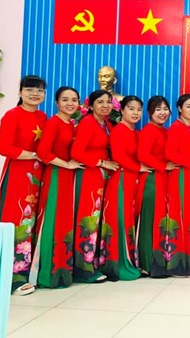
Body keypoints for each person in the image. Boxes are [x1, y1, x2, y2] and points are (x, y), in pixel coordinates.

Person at [0, 75, 47, 295]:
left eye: (40, 90)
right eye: (29, 89)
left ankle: (31, 273)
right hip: (18, 174)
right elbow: (5, 148)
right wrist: (34, 155)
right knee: (18, 219)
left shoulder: (43, 116)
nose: (35, 94)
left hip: (39, 176)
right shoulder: (12, 115)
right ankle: (12, 279)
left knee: (33, 222)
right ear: (20, 92)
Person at [33, 87, 83, 289]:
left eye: (74, 100)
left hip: (67, 177)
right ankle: (47, 272)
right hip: (55, 175)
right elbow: (43, 152)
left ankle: (63, 269)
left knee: (64, 223)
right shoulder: (53, 123)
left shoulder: (71, 124)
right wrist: (66, 164)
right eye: (65, 99)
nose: (70, 103)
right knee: (52, 222)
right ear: (56, 102)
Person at [100, 96, 151, 281]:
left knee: (130, 221)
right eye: (131, 108)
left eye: (138, 109)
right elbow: (119, 157)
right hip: (121, 180)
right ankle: (118, 264)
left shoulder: (137, 133)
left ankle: (132, 261)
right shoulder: (118, 131)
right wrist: (139, 167)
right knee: (120, 221)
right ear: (121, 110)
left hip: (133, 181)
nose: (135, 113)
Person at [71, 89, 119, 283]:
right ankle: (83, 269)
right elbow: (76, 152)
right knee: (88, 220)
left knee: (97, 220)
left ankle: (94, 263)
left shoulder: (107, 124)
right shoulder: (87, 123)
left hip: (101, 178)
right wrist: (101, 162)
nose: (105, 105)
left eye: (108, 102)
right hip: (89, 176)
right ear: (90, 106)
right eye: (100, 102)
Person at [136, 96, 178, 277]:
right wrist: (163, 166)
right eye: (158, 109)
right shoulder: (148, 130)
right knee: (149, 222)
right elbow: (143, 155)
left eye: (165, 109)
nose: (163, 113)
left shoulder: (166, 131)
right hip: (152, 181)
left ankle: (160, 261)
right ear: (150, 113)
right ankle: (147, 263)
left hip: (163, 180)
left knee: (160, 222)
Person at [165, 94, 190, 277]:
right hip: (180, 175)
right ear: (180, 108)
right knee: (180, 216)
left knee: (188, 217)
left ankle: (186, 262)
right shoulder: (177, 127)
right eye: (188, 106)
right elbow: (170, 153)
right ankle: (176, 264)